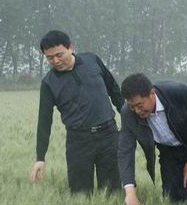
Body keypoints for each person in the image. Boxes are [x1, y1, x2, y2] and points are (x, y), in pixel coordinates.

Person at [30, 30, 123, 194]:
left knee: (112, 192)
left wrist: (130, 119)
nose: (55, 61)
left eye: (59, 55)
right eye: (49, 58)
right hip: (78, 141)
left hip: (109, 135)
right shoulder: (49, 83)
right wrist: (40, 158)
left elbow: (114, 90)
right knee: (80, 194)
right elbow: (44, 121)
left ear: (70, 48)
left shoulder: (92, 60)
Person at [118, 73, 187, 205]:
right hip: (167, 153)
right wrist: (130, 192)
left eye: (140, 105)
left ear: (152, 93)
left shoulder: (178, 92)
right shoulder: (127, 113)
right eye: (132, 107)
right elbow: (125, 150)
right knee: (171, 198)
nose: (137, 111)